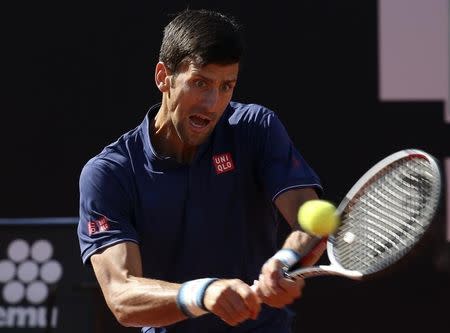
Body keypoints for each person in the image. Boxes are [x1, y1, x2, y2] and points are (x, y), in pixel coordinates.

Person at [77, 8, 325, 333]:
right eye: (200, 83)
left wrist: (284, 262)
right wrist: (203, 293)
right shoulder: (109, 174)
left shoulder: (255, 128)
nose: (212, 103)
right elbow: (122, 296)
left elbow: (309, 219)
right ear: (163, 77)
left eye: (227, 86)